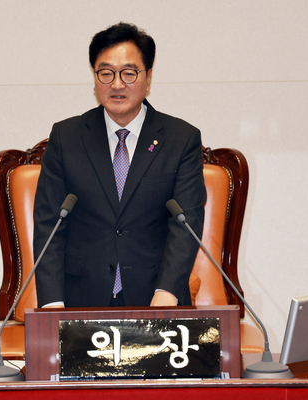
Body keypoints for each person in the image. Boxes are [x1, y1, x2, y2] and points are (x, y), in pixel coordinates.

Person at [33, 22, 206, 308]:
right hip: (80, 301)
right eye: (106, 73)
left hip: (156, 299)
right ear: (94, 78)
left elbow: (186, 225)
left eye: (129, 73)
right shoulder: (67, 137)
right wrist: (52, 305)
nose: (116, 84)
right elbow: (49, 226)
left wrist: (167, 293)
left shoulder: (181, 139)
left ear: (148, 78)